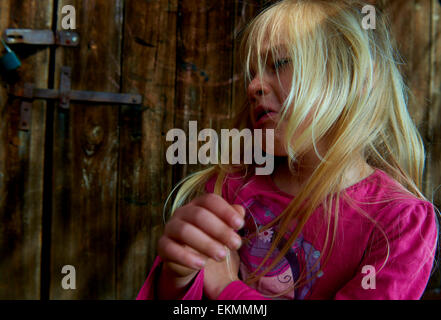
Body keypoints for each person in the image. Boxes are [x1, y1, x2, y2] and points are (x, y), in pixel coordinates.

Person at [137, 0, 439, 300]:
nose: (254, 85)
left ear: (358, 78)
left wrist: (230, 291)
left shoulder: (398, 223)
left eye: (280, 63)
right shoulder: (228, 188)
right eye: (252, 73)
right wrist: (178, 277)